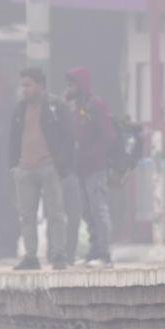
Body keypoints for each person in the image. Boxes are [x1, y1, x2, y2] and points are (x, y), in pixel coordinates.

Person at [8, 68, 74, 270]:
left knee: (55, 213)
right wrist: (14, 166)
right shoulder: (19, 108)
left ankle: (58, 254)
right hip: (24, 168)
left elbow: (68, 138)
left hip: (49, 167)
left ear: (40, 86)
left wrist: (60, 164)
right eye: (22, 85)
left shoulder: (56, 106)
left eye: (28, 85)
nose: (24, 90)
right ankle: (30, 256)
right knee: (27, 215)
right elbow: (13, 138)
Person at [66, 67, 116, 268]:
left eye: (72, 84)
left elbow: (108, 136)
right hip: (81, 168)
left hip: (95, 168)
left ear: (81, 84)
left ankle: (104, 254)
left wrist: (92, 155)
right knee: (87, 211)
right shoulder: (76, 107)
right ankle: (94, 251)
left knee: (98, 210)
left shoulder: (96, 104)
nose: (69, 88)